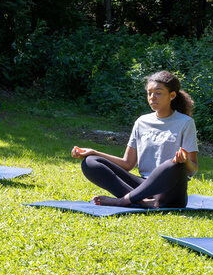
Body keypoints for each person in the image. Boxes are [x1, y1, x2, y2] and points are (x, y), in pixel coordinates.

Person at [72, 70, 198, 208]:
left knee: (173, 165)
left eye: (158, 93)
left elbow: (193, 169)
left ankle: (124, 201)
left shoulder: (185, 122)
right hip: (142, 186)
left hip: (170, 192)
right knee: (90, 162)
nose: (152, 97)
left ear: (172, 95)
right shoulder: (141, 122)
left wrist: (185, 161)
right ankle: (143, 202)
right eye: (149, 93)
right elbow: (128, 163)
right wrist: (93, 152)